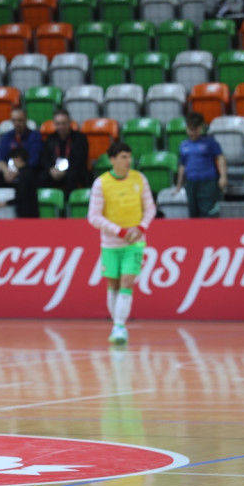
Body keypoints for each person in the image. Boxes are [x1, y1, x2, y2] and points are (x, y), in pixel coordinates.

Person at [87, 141, 155, 345]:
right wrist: (120, 231)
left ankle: (119, 327)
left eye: (129, 157)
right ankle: (116, 323)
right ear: (112, 160)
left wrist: (140, 228)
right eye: (123, 157)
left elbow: (150, 208)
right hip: (111, 243)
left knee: (127, 282)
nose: (128, 161)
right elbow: (93, 217)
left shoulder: (139, 179)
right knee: (113, 284)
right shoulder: (101, 183)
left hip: (134, 242)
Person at [0, 107, 43, 218]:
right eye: (14, 120)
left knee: (28, 176)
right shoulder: (7, 137)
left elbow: (34, 160)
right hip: (9, 173)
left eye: (20, 120)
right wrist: (6, 172)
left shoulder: (34, 136)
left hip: (26, 173)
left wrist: (17, 172)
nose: (16, 123)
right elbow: (1, 159)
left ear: (25, 120)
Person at [176, 113, 227, 218]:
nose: (192, 133)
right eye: (190, 129)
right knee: (193, 213)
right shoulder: (183, 145)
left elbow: (220, 158)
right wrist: (179, 185)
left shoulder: (210, 142)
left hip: (208, 184)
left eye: (195, 129)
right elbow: (182, 166)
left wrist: (223, 177)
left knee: (208, 213)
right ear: (186, 128)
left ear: (200, 128)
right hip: (190, 184)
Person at [38, 108, 90, 203]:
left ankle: (70, 206)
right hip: (54, 171)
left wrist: (65, 171)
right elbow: (44, 159)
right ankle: (48, 205)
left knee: (73, 176)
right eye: (58, 124)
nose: (61, 127)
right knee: (42, 177)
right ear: (54, 124)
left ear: (69, 122)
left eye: (64, 123)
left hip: (73, 171)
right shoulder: (50, 139)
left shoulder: (80, 138)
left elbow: (81, 160)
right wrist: (51, 169)